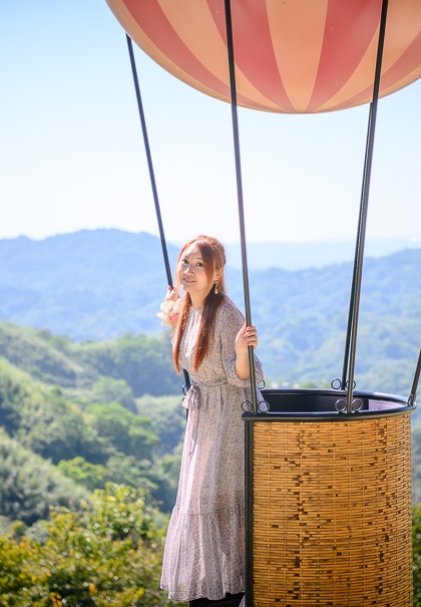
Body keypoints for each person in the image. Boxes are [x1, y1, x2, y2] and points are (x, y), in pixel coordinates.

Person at [158, 235, 263, 606]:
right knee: (199, 501)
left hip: (228, 417)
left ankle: (228, 589)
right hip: (204, 419)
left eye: (198, 265)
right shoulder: (189, 308)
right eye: (185, 262)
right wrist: (174, 314)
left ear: (216, 273)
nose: (188, 270)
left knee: (213, 502)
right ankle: (210, 587)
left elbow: (246, 377)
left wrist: (240, 352)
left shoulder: (226, 313)